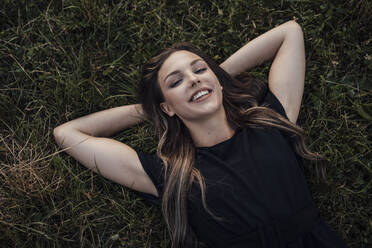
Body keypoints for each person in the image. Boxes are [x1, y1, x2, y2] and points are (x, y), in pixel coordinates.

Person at [53, 20, 349, 248]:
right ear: (167, 106)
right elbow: (68, 134)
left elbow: (290, 32)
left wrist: (216, 78)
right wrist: (150, 109)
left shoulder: (271, 122)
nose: (193, 79)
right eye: (176, 81)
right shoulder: (173, 174)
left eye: (199, 69)